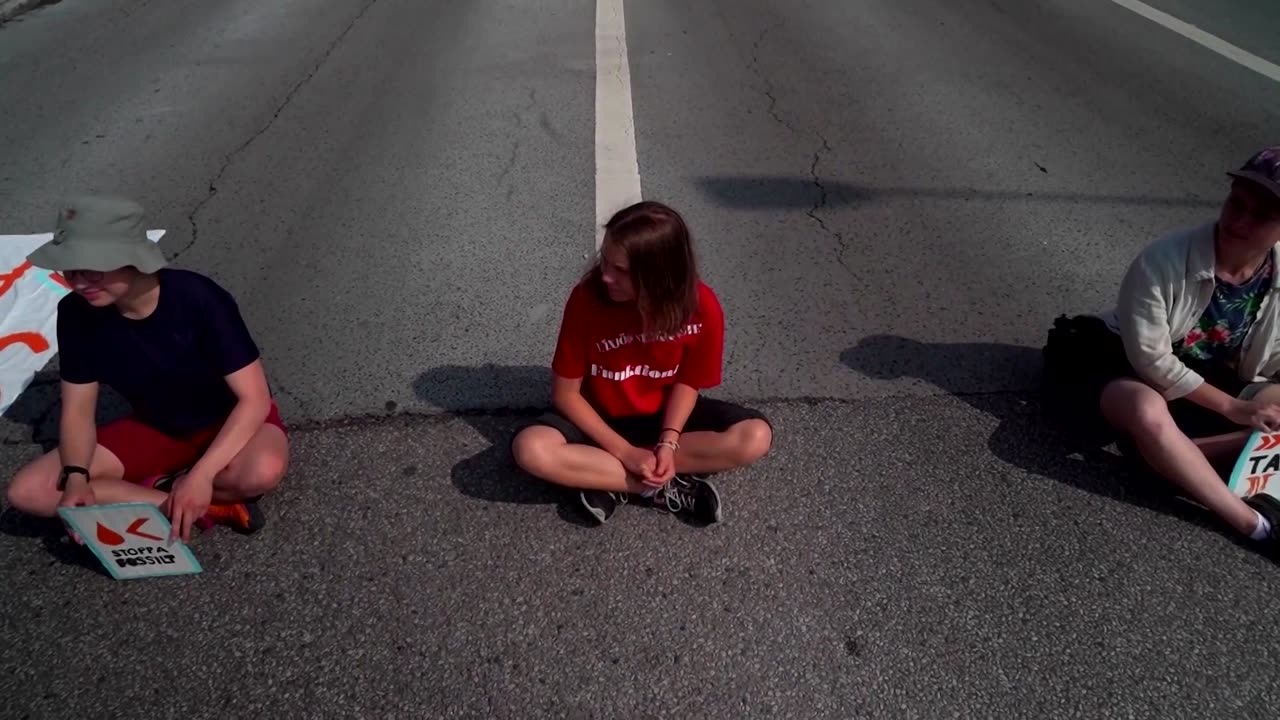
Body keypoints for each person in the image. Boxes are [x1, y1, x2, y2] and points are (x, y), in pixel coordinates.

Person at [5, 196, 288, 542]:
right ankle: (190, 504)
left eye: (93, 268)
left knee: (262, 471)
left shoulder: (197, 297)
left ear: (132, 259)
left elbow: (255, 399)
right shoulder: (75, 314)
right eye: (70, 270)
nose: (79, 283)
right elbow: (78, 409)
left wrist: (201, 474)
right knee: (29, 491)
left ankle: (164, 490)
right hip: (158, 427)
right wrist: (77, 477)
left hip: (229, 419)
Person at [1046, 147, 1280, 553]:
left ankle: (1172, 459)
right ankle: (1255, 524)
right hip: (1121, 358)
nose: (1240, 221)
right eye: (1236, 203)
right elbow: (1151, 360)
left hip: (1206, 375)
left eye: (1261, 215)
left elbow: (1270, 363)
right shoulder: (1163, 259)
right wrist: (1234, 409)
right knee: (1146, 410)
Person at [511, 201, 773, 525]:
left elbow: (688, 382)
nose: (606, 276)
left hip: (662, 415)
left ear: (659, 276)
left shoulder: (702, 306)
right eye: (605, 261)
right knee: (531, 448)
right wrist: (625, 452)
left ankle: (606, 478)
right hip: (598, 417)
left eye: (620, 271)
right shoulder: (587, 299)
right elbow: (566, 395)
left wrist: (668, 441)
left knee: (754, 436)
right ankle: (653, 486)